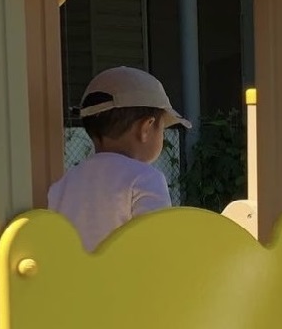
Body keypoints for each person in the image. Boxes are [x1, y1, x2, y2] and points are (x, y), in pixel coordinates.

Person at [49, 66, 189, 249]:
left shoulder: (64, 183)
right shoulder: (145, 178)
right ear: (146, 128)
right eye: (162, 129)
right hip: (128, 269)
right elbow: (159, 244)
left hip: (73, 268)